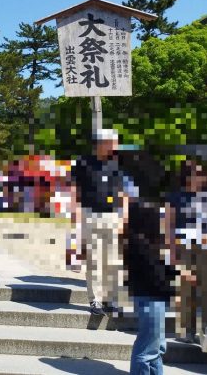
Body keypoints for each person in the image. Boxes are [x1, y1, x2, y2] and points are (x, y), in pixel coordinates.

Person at [71, 128, 134, 316]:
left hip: (113, 216)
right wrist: (76, 214)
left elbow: (123, 192)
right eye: (112, 143)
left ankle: (111, 299)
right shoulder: (83, 163)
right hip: (91, 214)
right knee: (94, 260)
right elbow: (75, 190)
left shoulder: (118, 165)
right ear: (101, 143)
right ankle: (95, 300)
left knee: (113, 261)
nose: (115, 147)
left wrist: (124, 217)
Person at [124, 175, 179, 374]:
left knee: (157, 347)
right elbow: (158, 276)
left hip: (154, 297)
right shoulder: (141, 246)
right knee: (147, 349)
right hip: (151, 297)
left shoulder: (145, 244)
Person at [168, 159, 207, 346]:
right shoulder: (175, 197)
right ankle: (185, 330)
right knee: (185, 291)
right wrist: (171, 252)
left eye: (201, 174)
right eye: (196, 174)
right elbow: (168, 226)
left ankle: (204, 331)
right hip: (183, 247)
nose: (200, 177)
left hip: (204, 249)